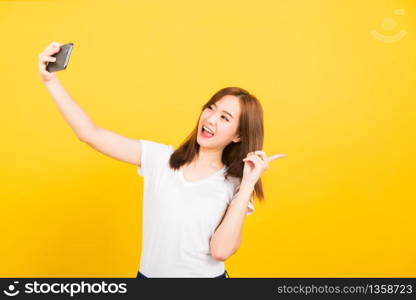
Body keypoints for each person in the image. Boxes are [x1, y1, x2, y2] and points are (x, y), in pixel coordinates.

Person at [38, 41, 286, 278]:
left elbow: (221, 251)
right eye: (211, 108)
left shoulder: (235, 184)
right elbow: (90, 134)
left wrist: (248, 183)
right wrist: (50, 81)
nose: (210, 119)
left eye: (225, 117)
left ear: (239, 135)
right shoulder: (160, 159)